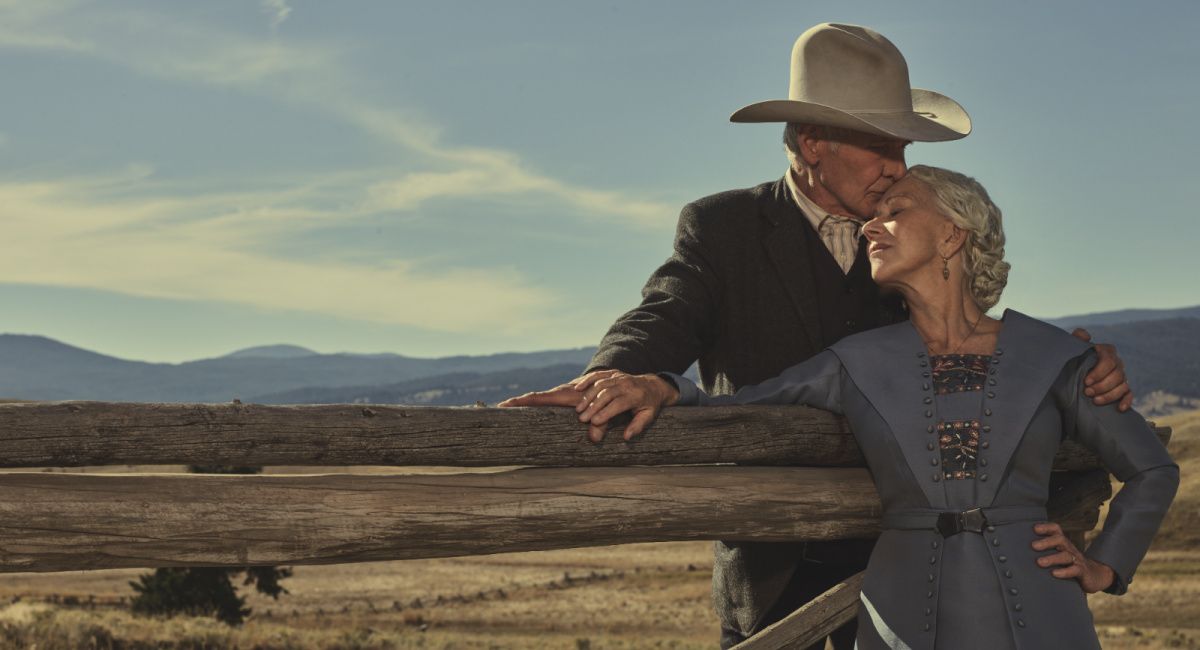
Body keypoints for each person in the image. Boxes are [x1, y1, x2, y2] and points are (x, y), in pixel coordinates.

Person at [501, 23, 1133, 649]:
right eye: (880, 147)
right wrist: (616, 374)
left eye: (904, 150)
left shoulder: (904, 236)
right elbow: (665, 314)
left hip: (907, 563)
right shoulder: (724, 226)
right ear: (812, 142)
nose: (897, 168)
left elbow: (965, 331)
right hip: (769, 561)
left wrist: (1074, 359)